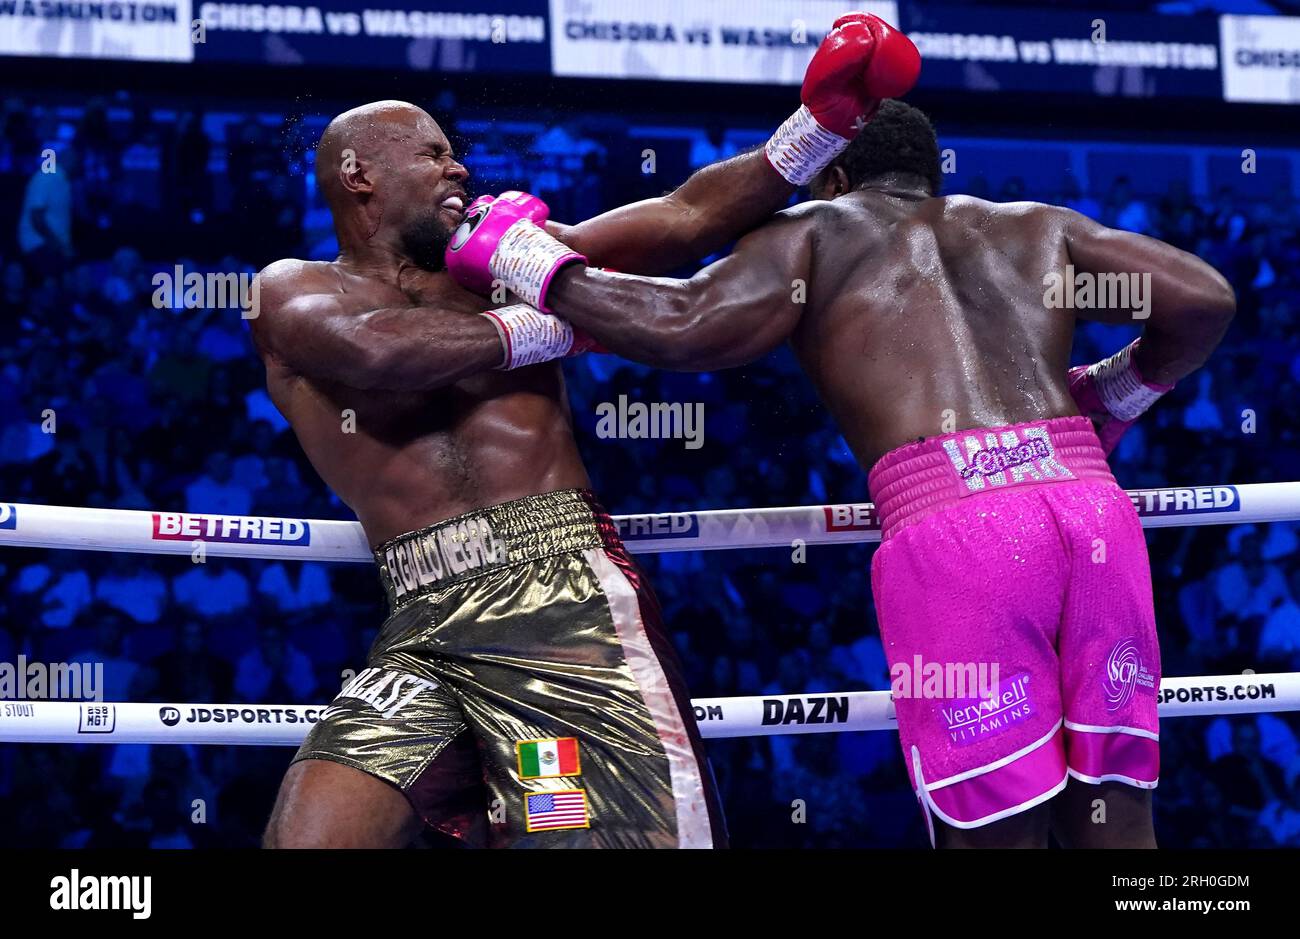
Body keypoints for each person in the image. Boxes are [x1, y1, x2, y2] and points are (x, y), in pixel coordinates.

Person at [448, 100, 1236, 848]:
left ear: (830, 175)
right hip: (1090, 506)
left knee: (996, 827)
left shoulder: (817, 231)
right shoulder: (1037, 226)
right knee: (1120, 820)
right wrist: (1120, 392)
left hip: (963, 527)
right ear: (930, 171)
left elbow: (687, 324)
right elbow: (1204, 298)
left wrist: (534, 259)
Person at [252, 14, 920, 848]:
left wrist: (821, 126)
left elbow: (686, 217)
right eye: (430, 153)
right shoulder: (294, 289)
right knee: (311, 837)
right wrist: (556, 321)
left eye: (452, 150)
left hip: (562, 612)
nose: (457, 165)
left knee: (571, 833)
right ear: (357, 174)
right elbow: (375, 353)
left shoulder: (511, 259)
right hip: (420, 625)